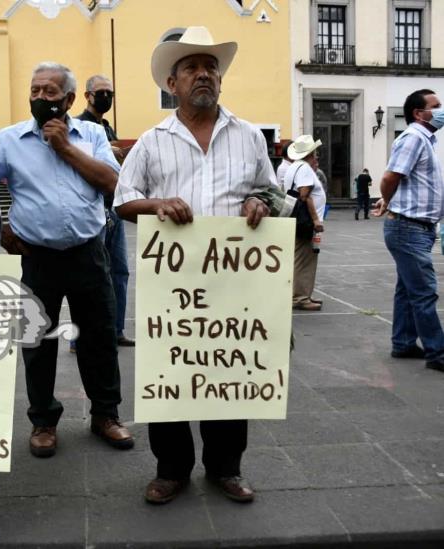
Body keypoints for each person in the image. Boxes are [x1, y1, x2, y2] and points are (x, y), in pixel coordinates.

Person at [113, 26, 275, 505]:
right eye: (192, 67)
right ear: (172, 83)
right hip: (174, 284)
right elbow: (123, 200)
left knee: (229, 373)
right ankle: (172, 470)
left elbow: (270, 189)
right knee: (171, 373)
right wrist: (157, 203)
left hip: (234, 280)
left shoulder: (249, 137)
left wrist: (259, 202)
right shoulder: (150, 141)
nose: (204, 74)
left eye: (211, 67)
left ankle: (227, 467)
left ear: (220, 80)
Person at [0, 61, 134, 459]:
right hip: (37, 258)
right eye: (35, 91)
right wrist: (0, 229)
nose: (40, 98)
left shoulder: (94, 135)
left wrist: (64, 147)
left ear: (68, 99)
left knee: (99, 338)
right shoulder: (8, 140)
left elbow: (113, 184)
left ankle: (105, 415)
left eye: (50, 92)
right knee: (38, 341)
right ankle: (43, 421)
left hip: (88, 253)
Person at [372, 88, 444, 373]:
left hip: (417, 228)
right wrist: (388, 200)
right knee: (424, 291)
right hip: (408, 228)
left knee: (407, 289)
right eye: (435, 106)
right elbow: (391, 176)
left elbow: (408, 181)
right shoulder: (414, 137)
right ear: (419, 113)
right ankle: (438, 351)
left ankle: (402, 343)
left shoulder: (425, 140)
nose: (440, 110)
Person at [76, 74, 134, 347]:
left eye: (110, 93)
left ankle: (116, 330)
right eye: (101, 92)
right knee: (89, 276)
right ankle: (80, 339)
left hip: (114, 209)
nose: (106, 98)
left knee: (119, 273)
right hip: (92, 210)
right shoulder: (77, 126)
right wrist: (107, 151)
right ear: (87, 96)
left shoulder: (107, 127)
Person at [284, 135, 326, 311]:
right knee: (304, 258)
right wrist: (316, 219)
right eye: (314, 153)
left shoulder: (293, 167)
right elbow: (304, 194)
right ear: (309, 154)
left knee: (300, 257)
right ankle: (300, 297)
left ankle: (302, 293)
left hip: (296, 218)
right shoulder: (305, 169)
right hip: (305, 220)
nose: (316, 157)